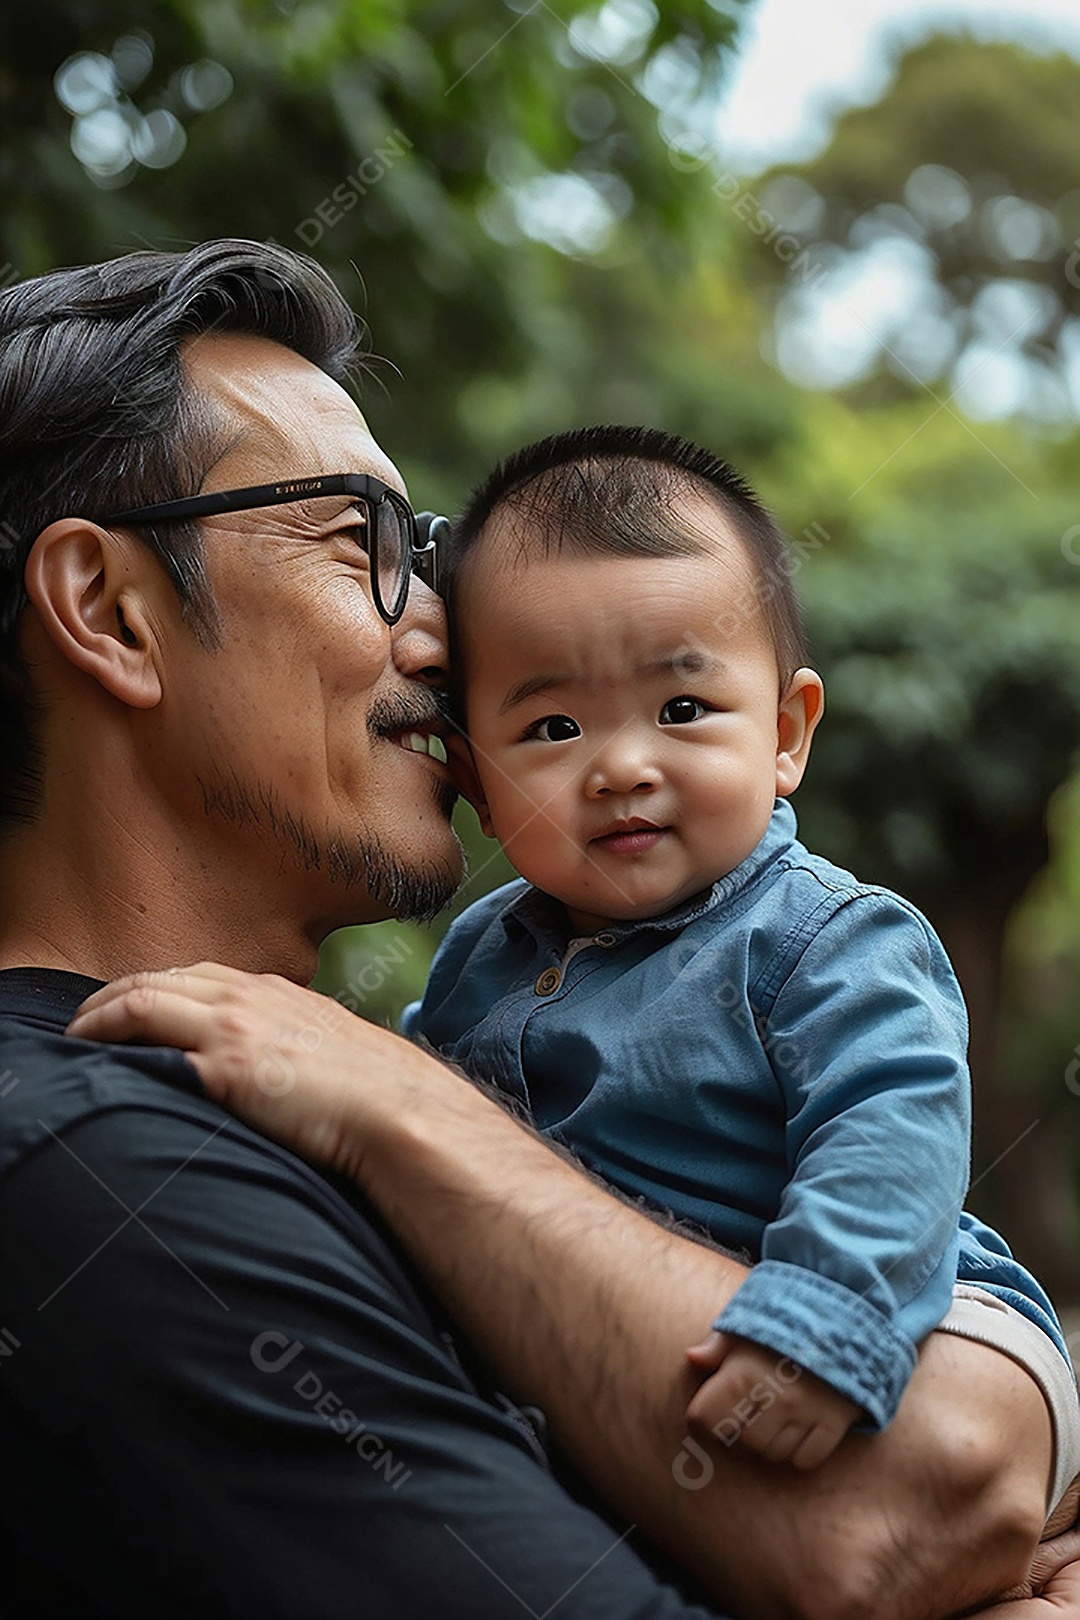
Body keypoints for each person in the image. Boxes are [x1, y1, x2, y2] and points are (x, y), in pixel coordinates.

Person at [0, 238, 1075, 1619]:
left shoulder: (301, 1107)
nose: (444, 636)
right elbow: (874, 1526)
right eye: (363, 544)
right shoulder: (90, 1160)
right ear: (110, 612)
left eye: (425, 554)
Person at [398, 423, 1072, 1473]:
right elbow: (414, 1110)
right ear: (477, 780)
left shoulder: (821, 939)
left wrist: (822, 1319)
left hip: (910, 1312)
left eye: (682, 708)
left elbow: (892, 1130)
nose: (621, 765)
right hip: (652, 1348)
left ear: (787, 734)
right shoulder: (478, 954)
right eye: (553, 728)